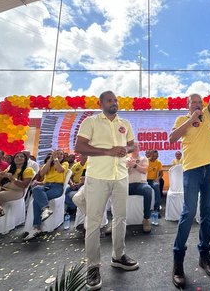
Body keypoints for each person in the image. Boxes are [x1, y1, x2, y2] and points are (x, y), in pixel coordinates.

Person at [170, 54, 210, 289]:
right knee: (188, 212)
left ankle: (205, 257)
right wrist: (191, 118)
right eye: (194, 103)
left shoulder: (207, 116)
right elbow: (173, 137)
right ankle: (178, 262)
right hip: (192, 171)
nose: (198, 105)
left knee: (206, 214)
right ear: (188, 106)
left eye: (199, 102)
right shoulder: (181, 119)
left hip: (209, 168)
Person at [75, 90, 139, 291]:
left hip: (121, 176)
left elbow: (132, 145)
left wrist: (125, 150)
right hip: (97, 177)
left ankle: (118, 256)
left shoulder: (124, 123)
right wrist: (108, 151)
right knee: (93, 222)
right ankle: (93, 266)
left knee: (120, 218)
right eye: (110, 100)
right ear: (100, 103)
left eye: (116, 100)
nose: (114, 103)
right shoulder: (91, 121)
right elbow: (80, 147)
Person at [24, 149, 69, 241]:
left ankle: (36, 227)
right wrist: (50, 160)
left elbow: (60, 170)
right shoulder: (48, 164)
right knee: (36, 189)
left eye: (61, 154)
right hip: (45, 185)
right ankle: (46, 209)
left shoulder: (65, 164)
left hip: (57, 187)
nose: (59, 155)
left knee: (36, 201)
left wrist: (56, 159)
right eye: (57, 154)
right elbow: (42, 173)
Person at [0, 152, 35, 217]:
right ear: (14, 159)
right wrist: (0, 176)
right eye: (17, 157)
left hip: (17, 192)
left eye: (21, 156)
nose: (19, 158)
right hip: (5, 188)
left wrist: (13, 179)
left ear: (25, 159)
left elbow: (24, 185)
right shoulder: (10, 169)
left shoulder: (28, 170)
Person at [127, 143, 153, 233]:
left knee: (148, 190)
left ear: (139, 148)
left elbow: (144, 170)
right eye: (133, 147)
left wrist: (134, 165)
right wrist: (127, 166)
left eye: (136, 147)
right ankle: (115, 221)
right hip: (127, 185)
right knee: (115, 190)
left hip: (140, 185)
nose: (135, 148)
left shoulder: (143, 158)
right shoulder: (125, 159)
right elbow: (122, 173)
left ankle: (146, 219)